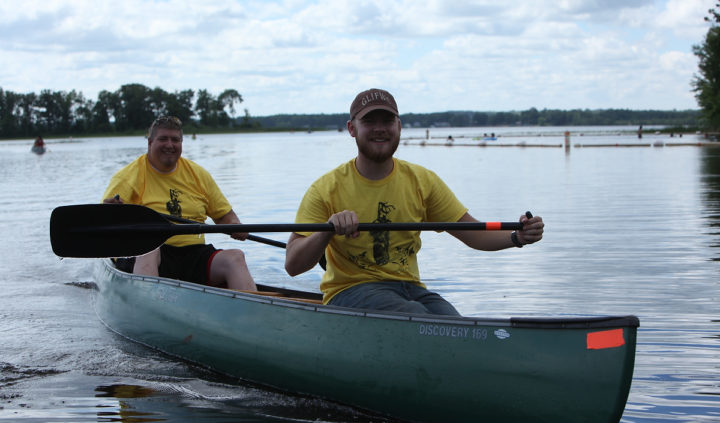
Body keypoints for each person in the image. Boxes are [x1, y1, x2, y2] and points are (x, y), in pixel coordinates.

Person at [285, 88, 544, 315]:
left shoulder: (422, 181)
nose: (379, 129)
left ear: (399, 127)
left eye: (387, 121)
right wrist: (326, 231)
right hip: (349, 292)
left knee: (453, 323)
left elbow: (474, 234)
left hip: (409, 289)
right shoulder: (325, 189)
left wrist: (517, 237)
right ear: (352, 129)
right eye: (369, 121)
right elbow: (293, 265)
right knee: (416, 314)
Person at [102, 115, 256, 291]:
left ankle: (252, 314)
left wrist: (235, 226)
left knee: (235, 257)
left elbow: (226, 217)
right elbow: (105, 222)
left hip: (192, 253)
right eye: (163, 139)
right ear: (150, 143)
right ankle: (150, 305)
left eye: (175, 140)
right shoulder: (128, 177)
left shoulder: (199, 175)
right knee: (149, 249)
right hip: (147, 252)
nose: (169, 145)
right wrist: (111, 214)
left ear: (181, 143)